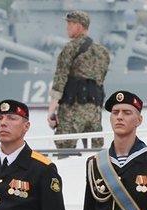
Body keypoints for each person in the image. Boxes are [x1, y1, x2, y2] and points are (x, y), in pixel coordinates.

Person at [47, 10, 110, 150]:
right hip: (94, 112)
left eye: (71, 23)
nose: (67, 27)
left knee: (65, 150)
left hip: (72, 109)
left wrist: (51, 111)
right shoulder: (103, 52)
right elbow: (100, 80)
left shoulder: (69, 49)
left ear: (80, 26)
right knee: (95, 153)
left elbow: (60, 79)